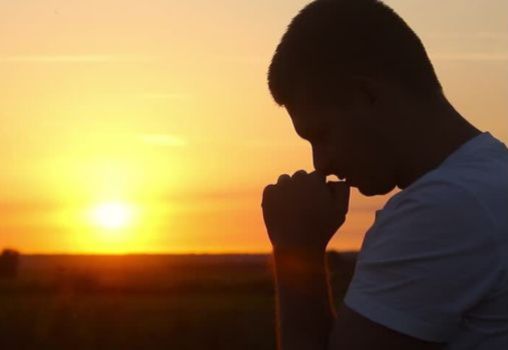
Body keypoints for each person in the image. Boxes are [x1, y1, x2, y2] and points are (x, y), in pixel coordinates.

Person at [261, 0, 508, 349]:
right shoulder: (491, 179)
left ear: (367, 95)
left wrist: (296, 251)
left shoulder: (443, 208)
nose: (321, 164)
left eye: (322, 134)